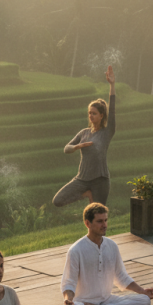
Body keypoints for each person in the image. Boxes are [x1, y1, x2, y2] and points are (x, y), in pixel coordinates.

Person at [61, 202, 153, 305]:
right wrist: (68, 300)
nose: (105, 225)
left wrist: (142, 291)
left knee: (144, 301)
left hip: (108, 300)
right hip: (83, 302)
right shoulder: (76, 250)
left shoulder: (112, 246)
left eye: (106, 220)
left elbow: (121, 277)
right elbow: (69, 282)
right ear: (87, 223)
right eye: (100, 221)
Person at [53, 66, 116, 207]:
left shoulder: (106, 133)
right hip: (82, 179)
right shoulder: (83, 133)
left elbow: (112, 110)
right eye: (89, 113)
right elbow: (66, 148)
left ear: (101, 115)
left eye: (94, 113)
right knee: (58, 200)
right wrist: (78, 146)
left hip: (100, 180)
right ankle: (87, 194)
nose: (91, 116)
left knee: (98, 215)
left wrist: (112, 85)